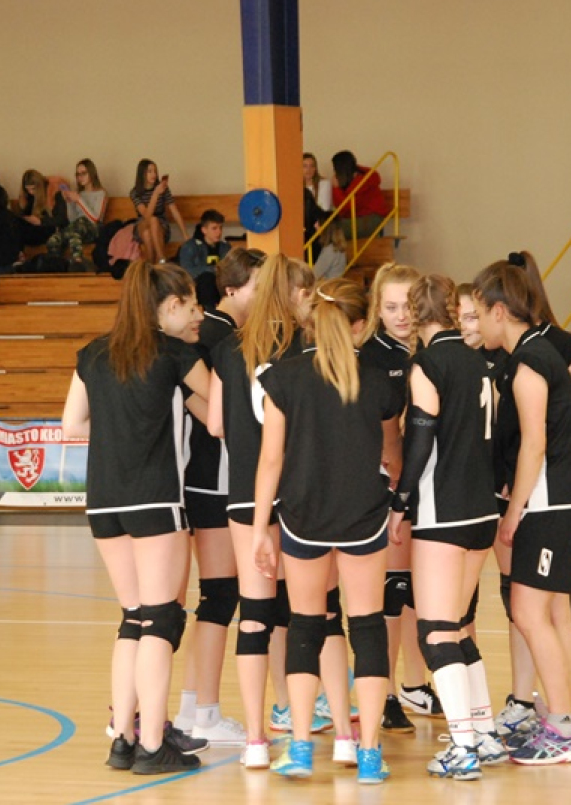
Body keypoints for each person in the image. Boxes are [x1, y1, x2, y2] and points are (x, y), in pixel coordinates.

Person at [61, 259, 210, 776]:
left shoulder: (93, 354)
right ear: (168, 307)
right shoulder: (174, 354)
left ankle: (122, 739)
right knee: (161, 619)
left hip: (104, 502)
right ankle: (152, 745)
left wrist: (118, 426)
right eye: (190, 306)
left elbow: (71, 425)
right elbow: (220, 413)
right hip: (155, 499)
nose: (196, 316)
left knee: (132, 617)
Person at [253, 277, 402, 784]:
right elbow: (392, 455)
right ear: (361, 325)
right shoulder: (378, 382)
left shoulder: (283, 378)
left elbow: (270, 461)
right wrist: (397, 501)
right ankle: (370, 754)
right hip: (364, 515)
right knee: (367, 626)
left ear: (310, 320)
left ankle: (299, 747)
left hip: (304, 516)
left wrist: (260, 527)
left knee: (305, 625)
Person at [208, 252, 335, 768]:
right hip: (299, 492)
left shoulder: (227, 348)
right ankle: (325, 722)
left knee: (255, 615)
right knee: (315, 611)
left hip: (244, 494)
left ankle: (256, 740)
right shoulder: (304, 346)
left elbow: (215, 424)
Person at [387, 274, 505, 780]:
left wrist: (400, 502)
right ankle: (484, 732)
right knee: (456, 626)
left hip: (444, 512)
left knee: (435, 632)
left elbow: (420, 441)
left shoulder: (428, 365)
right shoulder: (481, 362)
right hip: (482, 512)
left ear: (416, 314)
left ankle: (463, 748)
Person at [473, 262, 571, 766]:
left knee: (527, 613)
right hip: (561, 502)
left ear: (500, 311)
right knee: (538, 614)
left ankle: (563, 728)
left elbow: (535, 445)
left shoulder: (528, 365)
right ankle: (563, 719)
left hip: (550, 505)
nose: (478, 324)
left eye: (480, 314)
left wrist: (514, 510)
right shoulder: (533, 355)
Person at [173, 249, 265, 752]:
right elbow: (217, 415)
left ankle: (192, 710)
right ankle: (203, 711)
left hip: (206, 478)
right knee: (220, 595)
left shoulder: (214, 334)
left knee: (215, 596)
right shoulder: (214, 337)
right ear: (231, 289)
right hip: (212, 478)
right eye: (258, 285)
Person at [359, 263, 438, 733]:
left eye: (407, 306)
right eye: (390, 307)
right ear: (377, 308)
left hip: (431, 484)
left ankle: (413, 683)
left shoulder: (432, 348)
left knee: (418, 591)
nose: (401, 315)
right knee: (393, 591)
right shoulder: (370, 355)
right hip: (389, 486)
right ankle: (385, 691)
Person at [48, 158, 108, 268]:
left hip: (93, 228)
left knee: (75, 230)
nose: (80, 177)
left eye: (83, 173)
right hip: (76, 227)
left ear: (91, 173)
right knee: (53, 240)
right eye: (78, 174)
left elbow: (95, 218)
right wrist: (69, 202)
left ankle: (78, 263)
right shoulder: (80, 193)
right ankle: (57, 266)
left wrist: (79, 200)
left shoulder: (101, 193)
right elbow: (72, 219)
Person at [130, 159, 188, 264]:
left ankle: (151, 265)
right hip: (143, 223)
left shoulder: (163, 188)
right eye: (149, 171)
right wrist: (156, 194)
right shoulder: (135, 192)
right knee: (152, 220)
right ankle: (162, 260)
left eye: (155, 171)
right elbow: (146, 215)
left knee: (148, 233)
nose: (154, 174)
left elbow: (174, 211)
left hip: (161, 225)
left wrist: (185, 234)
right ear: (142, 173)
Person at [178, 209, 231, 309]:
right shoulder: (190, 247)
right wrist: (211, 269)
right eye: (214, 228)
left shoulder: (225, 248)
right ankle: (210, 312)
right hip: (198, 288)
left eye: (220, 228)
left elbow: (230, 269)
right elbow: (186, 272)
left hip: (220, 286)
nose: (219, 232)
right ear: (204, 230)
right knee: (207, 278)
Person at [331, 151, 391, 239]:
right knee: (326, 228)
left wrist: (336, 188)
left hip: (371, 218)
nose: (334, 172)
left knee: (331, 230)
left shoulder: (363, 181)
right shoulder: (352, 178)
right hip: (357, 217)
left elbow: (345, 207)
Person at [14, 169, 63, 249]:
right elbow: (26, 213)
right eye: (28, 189)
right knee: (15, 224)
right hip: (34, 227)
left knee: (19, 231)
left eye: (33, 189)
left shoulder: (54, 192)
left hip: (48, 227)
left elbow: (61, 219)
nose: (31, 192)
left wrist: (41, 221)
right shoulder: (29, 196)